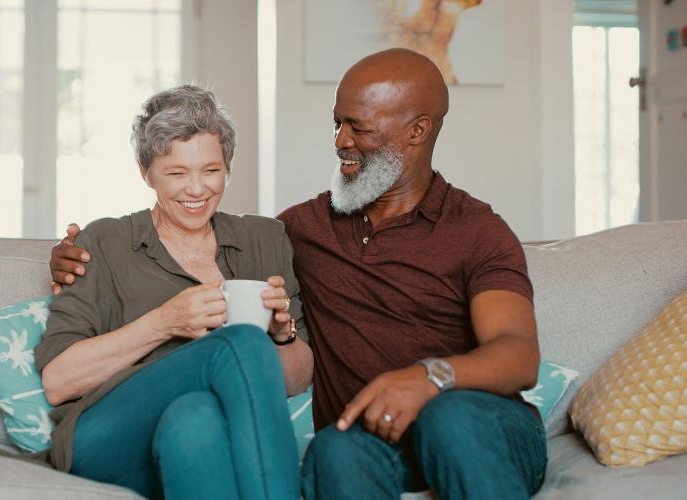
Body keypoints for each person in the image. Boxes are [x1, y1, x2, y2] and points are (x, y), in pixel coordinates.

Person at [51, 49, 546, 499]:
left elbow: (519, 354)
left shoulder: (476, 229)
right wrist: (68, 257)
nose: (340, 141)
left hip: (470, 422)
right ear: (147, 173)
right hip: (367, 435)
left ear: (416, 131)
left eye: (359, 128)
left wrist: (429, 378)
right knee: (333, 448)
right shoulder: (301, 229)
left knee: (449, 417)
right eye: (337, 124)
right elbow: (63, 371)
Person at [39, 85, 313, 500]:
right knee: (238, 341)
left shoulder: (265, 239)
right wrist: (164, 322)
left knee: (194, 419)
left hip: (195, 431)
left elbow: (296, 379)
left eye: (211, 170)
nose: (197, 189)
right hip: (107, 437)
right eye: (176, 173)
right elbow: (58, 382)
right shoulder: (104, 242)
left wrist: (281, 334)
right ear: (145, 172)